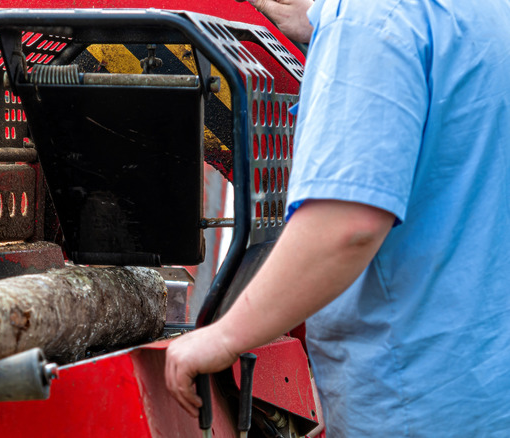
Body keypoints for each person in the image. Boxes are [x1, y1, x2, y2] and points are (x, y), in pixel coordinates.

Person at [165, 0, 510, 436]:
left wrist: (224, 337)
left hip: (416, 400)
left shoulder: (373, 19)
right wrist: (322, 19)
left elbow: (346, 227)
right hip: (483, 386)